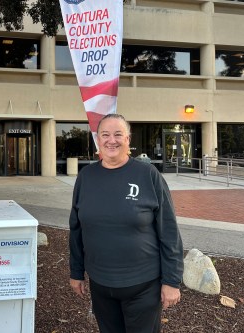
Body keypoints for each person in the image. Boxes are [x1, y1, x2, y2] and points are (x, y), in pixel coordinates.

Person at [69, 113, 184, 333]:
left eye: (118, 134)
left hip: (143, 286)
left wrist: (171, 280)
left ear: (128, 140)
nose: (111, 140)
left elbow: (169, 231)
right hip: (100, 284)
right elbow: (76, 228)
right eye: (105, 135)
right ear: (98, 140)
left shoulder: (148, 175)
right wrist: (76, 271)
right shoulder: (86, 177)